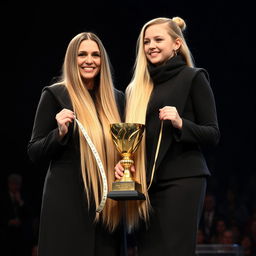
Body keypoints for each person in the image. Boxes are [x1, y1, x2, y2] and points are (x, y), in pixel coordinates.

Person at [114, 17, 220, 255]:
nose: (151, 45)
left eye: (158, 39)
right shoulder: (136, 89)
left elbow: (212, 133)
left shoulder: (194, 77)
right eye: (146, 41)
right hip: (147, 185)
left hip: (183, 180)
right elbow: (134, 141)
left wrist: (181, 123)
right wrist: (123, 163)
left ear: (176, 44)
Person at [27, 32, 125, 256]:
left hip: (107, 207)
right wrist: (59, 134)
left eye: (95, 55)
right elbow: (34, 150)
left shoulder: (117, 98)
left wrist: (122, 164)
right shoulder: (55, 94)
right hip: (66, 203)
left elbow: (125, 149)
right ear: (72, 59)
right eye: (82, 54)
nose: (89, 60)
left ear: (103, 60)